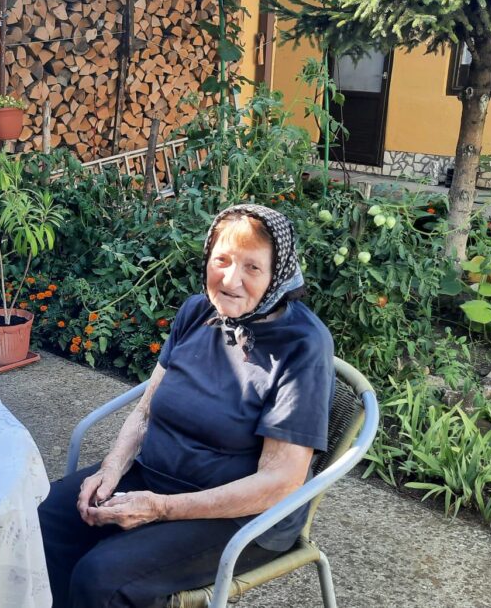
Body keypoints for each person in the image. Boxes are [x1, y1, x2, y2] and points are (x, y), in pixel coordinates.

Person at [39, 204, 335, 608]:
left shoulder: (303, 345)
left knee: (103, 578)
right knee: (46, 519)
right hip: (154, 476)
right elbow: (146, 411)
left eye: (252, 267)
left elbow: (280, 481)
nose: (231, 279)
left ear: (277, 274)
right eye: (222, 260)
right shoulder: (197, 312)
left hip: (239, 515)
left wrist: (160, 509)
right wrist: (111, 470)